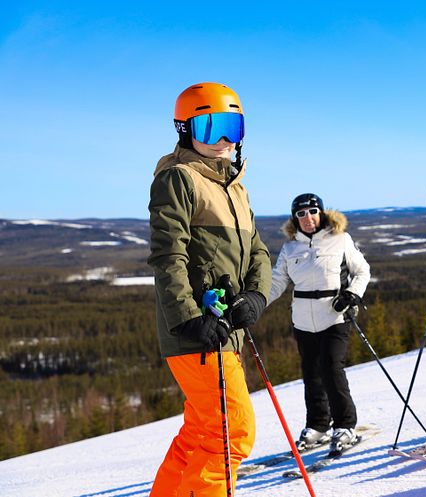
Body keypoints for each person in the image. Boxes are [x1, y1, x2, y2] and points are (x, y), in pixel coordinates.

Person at [147, 82, 271, 497]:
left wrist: (256, 294)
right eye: (209, 128)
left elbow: (258, 251)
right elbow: (169, 257)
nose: (221, 140)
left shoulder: (235, 186)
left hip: (226, 329)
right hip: (197, 332)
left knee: (203, 429)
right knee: (231, 432)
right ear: (185, 130)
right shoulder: (178, 179)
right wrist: (189, 318)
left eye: (231, 128)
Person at [267, 193, 371, 453]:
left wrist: (351, 294)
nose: (308, 218)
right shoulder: (290, 248)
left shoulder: (340, 239)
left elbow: (362, 271)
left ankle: (345, 425)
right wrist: (255, 302)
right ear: (295, 219)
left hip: (335, 315)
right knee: (311, 373)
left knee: (331, 367)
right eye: (301, 214)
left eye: (312, 211)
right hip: (302, 319)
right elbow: (277, 282)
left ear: (321, 213)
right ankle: (317, 426)